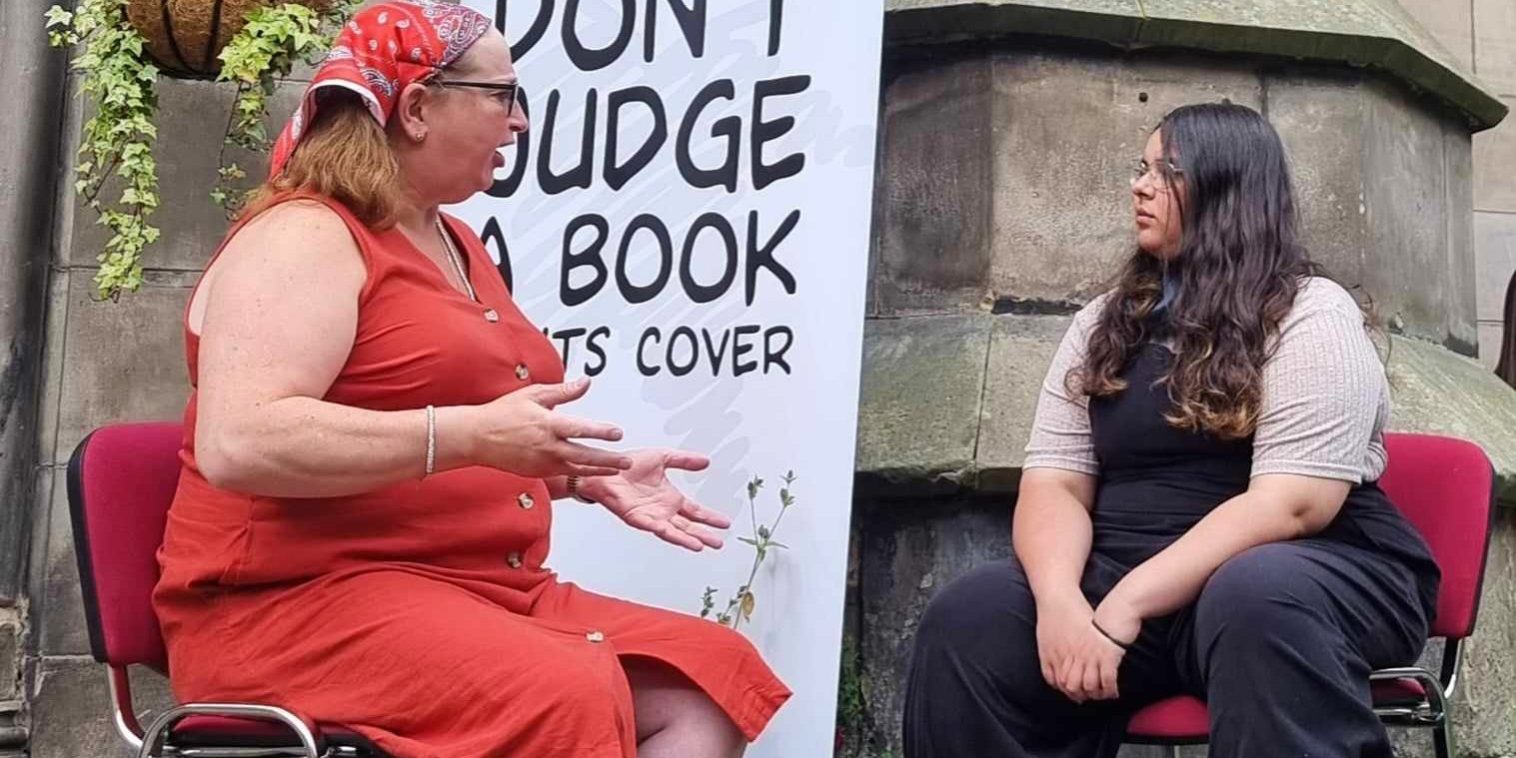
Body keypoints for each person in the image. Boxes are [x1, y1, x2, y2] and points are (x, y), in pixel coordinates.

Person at [152, 3, 790, 756]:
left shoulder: (449, 235)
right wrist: (473, 433)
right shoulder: (303, 235)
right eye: (504, 95)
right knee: (564, 691)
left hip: (478, 590)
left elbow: (440, 433)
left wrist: (580, 473)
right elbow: (241, 443)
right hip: (293, 606)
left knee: (708, 678)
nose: (519, 123)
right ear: (418, 107)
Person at [902, 102, 1440, 758]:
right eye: (1142, 168)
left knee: (1254, 594)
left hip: (1310, 570)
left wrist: (1127, 603)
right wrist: (1060, 603)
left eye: (1170, 172)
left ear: (1229, 193)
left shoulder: (1312, 313)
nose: (1141, 185)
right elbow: (1056, 487)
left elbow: (1293, 505)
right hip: (1128, 575)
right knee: (971, 620)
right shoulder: (1104, 321)